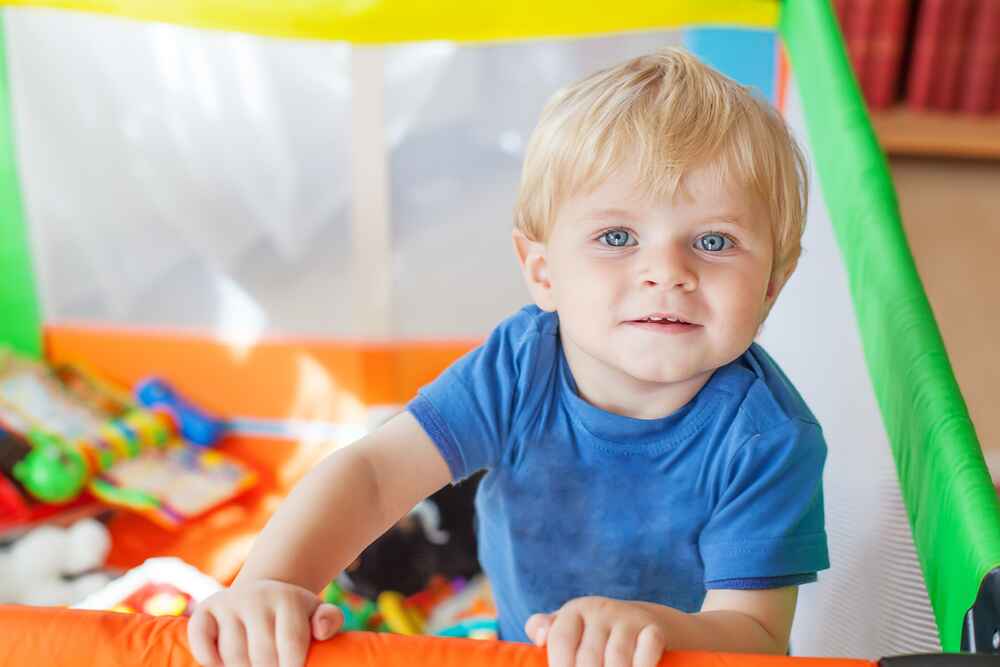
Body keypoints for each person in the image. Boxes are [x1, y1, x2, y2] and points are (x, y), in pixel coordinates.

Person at [188, 47, 828, 667]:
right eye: (617, 237)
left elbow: (757, 636)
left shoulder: (767, 439)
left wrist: (658, 630)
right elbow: (377, 475)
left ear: (774, 280)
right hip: (518, 645)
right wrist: (273, 584)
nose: (667, 272)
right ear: (542, 271)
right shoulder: (523, 365)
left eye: (714, 241)